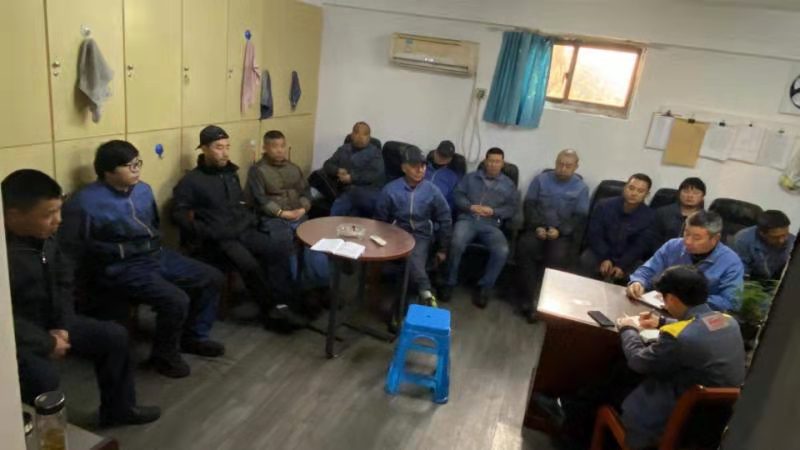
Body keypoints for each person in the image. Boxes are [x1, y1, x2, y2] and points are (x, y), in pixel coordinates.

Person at [4, 169, 160, 426]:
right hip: (16, 336)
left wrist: (63, 325)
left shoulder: (46, 238)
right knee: (42, 378)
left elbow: (64, 282)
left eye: (59, 210)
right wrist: (47, 343)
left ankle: (120, 410)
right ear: (13, 215)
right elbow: (6, 320)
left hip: (53, 322)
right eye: (48, 214)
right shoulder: (7, 253)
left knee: (114, 337)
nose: (58, 220)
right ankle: (33, 434)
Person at [61, 140, 225, 379]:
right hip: (121, 266)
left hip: (155, 254)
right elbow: (72, 248)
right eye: (129, 166)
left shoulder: (143, 190)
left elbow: (154, 225)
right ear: (108, 171)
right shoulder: (85, 202)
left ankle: (194, 337)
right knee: (175, 300)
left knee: (212, 278)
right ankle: (164, 356)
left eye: (138, 163)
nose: (136, 169)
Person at [537, 266, 745, 449]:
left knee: (619, 372)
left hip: (671, 419)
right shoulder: (728, 322)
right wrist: (661, 321)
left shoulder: (680, 339)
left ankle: (573, 429)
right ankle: (570, 408)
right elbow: (699, 326)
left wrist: (628, 328)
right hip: (709, 423)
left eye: (664, 299)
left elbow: (638, 361)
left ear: (672, 299)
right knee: (618, 374)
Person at [172, 125, 306, 332]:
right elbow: (179, 215)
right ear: (204, 149)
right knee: (249, 263)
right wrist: (207, 231)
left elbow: (241, 203)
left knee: (279, 249)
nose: (225, 152)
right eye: (218, 147)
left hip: (241, 231)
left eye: (227, 147)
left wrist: (248, 219)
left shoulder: (230, 173)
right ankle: (271, 311)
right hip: (218, 239)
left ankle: (284, 303)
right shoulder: (191, 181)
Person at [246, 129, 328, 297]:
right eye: (274, 146)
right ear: (265, 148)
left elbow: (306, 192)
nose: (280, 150)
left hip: (298, 213)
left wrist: (303, 208)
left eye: (282, 146)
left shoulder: (293, 168)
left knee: (314, 244)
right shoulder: (257, 171)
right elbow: (261, 200)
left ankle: (320, 286)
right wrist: (282, 213)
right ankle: (292, 292)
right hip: (273, 219)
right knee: (286, 248)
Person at [516, 149, 589, 321]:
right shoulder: (540, 180)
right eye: (560, 164)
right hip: (537, 228)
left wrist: (560, 230)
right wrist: (537, 226)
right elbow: (529, 205)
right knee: (525, 248)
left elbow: (579, 217)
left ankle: (543, 301)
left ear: (576, 167)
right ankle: (528, 300)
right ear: (555, 163)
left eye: (568, 166)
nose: (563, 168)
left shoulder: (581, 188)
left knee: (556, 258)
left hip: (561, 234)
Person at [441, 147, 520, 307]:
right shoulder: (470, 178)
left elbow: (512, 208)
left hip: (491, 225)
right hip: (467, 220)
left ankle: (484, 287)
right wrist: (469, 206)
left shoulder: (509, 185)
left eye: (497, 161)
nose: (493, 164)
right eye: (490, 161)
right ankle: (449, 282)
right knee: (456, 242)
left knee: (502, 250)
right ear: (485, 161)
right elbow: (457, 195)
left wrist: (494, 211)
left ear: (502, 163)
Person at [374, 146, 452, 305]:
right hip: (396, 233)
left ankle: (424, 294)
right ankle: (420, 293)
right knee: (404, 266)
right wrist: (379, 239)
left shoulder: (432, 190)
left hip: (421, 234)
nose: (420, 170)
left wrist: (443, 248)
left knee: (414, 259)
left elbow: (445, 218)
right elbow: (380, 219)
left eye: (423, 166)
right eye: (414, 166)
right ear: (404, 168)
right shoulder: (391, 189)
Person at [627, 210, 744, 312]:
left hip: (700, 318)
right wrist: (638, 282)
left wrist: (688, 300)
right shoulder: (673, 246)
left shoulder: (731, 262)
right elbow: (648, 269)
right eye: (686, 234)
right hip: (660, 307)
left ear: (715, 239)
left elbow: (731, 302)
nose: (688, 241)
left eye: (696, 238)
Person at [579, 173, 655, 282]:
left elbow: (640, 246)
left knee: (639, 272)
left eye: (640, 191)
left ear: (646, 194)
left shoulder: (650, 216)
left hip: (628, 258)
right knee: (587, 259)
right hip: (600, 252)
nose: (634, 193)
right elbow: (595, 234)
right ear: (625, 188)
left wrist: (621, 265)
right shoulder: (604, 205)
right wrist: (606, 258)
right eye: (631, 188)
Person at [324, 121, 385, 217]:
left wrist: (351, 178)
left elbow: (373, 174)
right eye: (356, 132)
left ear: (369, 137)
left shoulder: (375, 153)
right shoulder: (344, 149)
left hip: (368, 191)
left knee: (349, 197)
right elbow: (327, 165)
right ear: (352, 135)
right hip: (346, 191)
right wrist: (337, 170)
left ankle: (334, 220)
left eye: (365, 134)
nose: (360, 137)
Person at [733, 210, 796, 281]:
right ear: (762, 233)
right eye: (775, 237)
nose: (782, 240)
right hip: (753, 279)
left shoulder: (793, 241)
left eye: (785, 235)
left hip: (777, 280)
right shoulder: (743, 239)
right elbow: (741, 270)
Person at [653, 177, 706, 249]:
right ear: (679, 193)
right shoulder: (662, 213)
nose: (690, 196)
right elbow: (653, 240)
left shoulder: (707, 219)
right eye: (686, 191)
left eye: (695, 193)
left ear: (702, 197)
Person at [424, 140, 462, 213]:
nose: (441, 158)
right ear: (435, 152)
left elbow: (453, 201)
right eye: (440, 154)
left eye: (445, 157)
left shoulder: (453, 177)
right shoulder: (422, 168)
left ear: (450, 159)